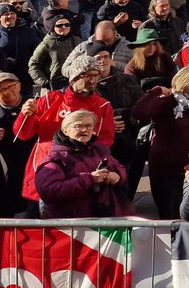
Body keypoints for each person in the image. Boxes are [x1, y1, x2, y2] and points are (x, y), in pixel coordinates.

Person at [15, 51, 116, 211]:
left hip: (81, 170)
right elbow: (23, 134)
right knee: (39, 221)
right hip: (46, 167)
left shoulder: (103, 106)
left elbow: (105, 140)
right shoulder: (49, 100)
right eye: (87, 75)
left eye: (96, 75)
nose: (92, 80)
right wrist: (26, 115)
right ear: (73, 78)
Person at [131, 66, 189, 218]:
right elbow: (139, 112)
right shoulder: (166, 99)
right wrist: (156, 91)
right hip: (167, 166)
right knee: (170, 213)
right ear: (184, 81)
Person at [34, 110, 133, 218]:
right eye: (78, 126)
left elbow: (118, 167)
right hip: (73, 220)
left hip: (106, 215)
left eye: (89, 126)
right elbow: (49, 191)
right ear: (65, 131)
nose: (84, 130)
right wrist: (90, 179)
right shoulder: (56, 158)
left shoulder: (100, 149)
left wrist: (117, 175)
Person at [0, 72, 35, 216]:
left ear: (19, 86)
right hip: (4, 177)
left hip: (33, 168)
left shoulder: (35, 105)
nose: (8, 91)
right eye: (1, 90)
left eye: (11, 86)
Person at [29, 14, 79, 91]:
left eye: (67, 24)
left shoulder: (77, 40)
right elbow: (33, 65)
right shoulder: (47, 44)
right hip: (54, 87)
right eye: (59, 25)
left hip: (75, 84)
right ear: (53, 27)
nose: (64, 27)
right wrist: (45, 83)